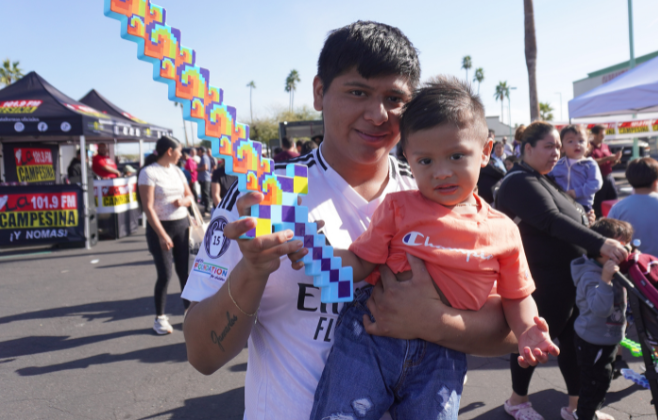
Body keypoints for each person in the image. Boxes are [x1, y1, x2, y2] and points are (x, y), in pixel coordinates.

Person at [181, 21, 519, 420]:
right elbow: (202, 354)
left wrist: (433, 321)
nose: (377, 115)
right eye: (357, 92)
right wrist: (252, 271)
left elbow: (512, 328)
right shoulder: (261, 197)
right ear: (319, 92)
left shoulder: (440, 193)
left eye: (394, 99)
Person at [301, 76, 557, 420]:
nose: (441, 172)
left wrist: (527, 331)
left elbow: (517, 296)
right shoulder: (397, 207)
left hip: (445, 351)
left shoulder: (503, 230)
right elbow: (361, 262)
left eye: (456, 156)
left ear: (485, 151)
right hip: (372, 337)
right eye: (425, 161)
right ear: (408, 158)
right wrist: (317, 250)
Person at [496, 121, 629, 420]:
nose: (556, 152)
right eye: (549, 146)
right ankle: (517, 401)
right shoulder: (518, 181)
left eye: (558, 146)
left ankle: (576, 407)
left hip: (568, 280)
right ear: (528, 148)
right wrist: (600, 242)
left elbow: (569, 214)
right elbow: (551, 220)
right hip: (540, 281)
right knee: (531, 343)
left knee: (572, 345)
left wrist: (586, 221)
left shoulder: (541, 178)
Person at [571, 218, 633, 420]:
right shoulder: (591, 275)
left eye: (627, 245)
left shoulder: (613, 269)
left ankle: (590, 412)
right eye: (619, 246)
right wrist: (605, 280)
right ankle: (584, 415)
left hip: (608, 338)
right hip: (593, 341)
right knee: (593, 384)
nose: (625, 251)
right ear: (600, 249)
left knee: (602, 381)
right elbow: (600, 309)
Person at [138, 135, 195, 335]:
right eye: (179, 151)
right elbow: (148, 207)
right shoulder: (148, 172)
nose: (182, 155)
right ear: (170, 151)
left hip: (182, 225)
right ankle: (160, 318)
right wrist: (162, 235)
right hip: (160, 229)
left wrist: (183, 202)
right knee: (165, 274)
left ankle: (190, 313)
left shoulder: (178, 171)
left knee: (184, 272)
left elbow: (190, 196)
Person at [550, 125, 602, 213]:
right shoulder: (557, 164)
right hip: (562, 203)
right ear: (562, 148)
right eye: (570, 141)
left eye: (581, 141)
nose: (577, 144)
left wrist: (576, 192)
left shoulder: (589, 164)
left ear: (588, 146)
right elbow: (547, 178)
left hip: (583, 205)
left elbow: (595, 183)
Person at [588, 126, 622, 219]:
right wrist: (608, 158)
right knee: (599, 203)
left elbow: (611, 163)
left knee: (613, 200)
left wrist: (615, 159)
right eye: (602, 135)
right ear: (594, 135)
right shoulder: (589, 147)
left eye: (604, 135)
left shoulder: (605, 146)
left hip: (609, 177)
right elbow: (591, 162)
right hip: (597, 179)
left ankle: (613, 219)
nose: (604, 137)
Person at [197, 146, 213, 214]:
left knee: (206, 194)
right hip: (204, 179)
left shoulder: (204, 157)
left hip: (205, 179)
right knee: (204, 194)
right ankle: (206, 209)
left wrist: (196, 169)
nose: (197, 152)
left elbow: (205, 167)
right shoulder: (204, 157)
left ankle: (208, 210)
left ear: (200, 151)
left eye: (198, 151)